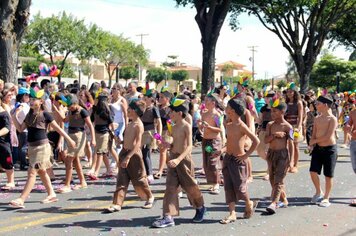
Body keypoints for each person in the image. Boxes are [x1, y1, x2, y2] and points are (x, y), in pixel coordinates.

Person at [9, 87, 76, 208]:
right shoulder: (29, 114)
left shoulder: (45, 114)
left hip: (42, 147)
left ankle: (21, 199)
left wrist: (69, 139)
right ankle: (51, 194)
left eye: (36, 99)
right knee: (42, 171)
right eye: (31, 98)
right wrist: (13, 116)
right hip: (32, 148)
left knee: (32, 173)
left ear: (41, 101)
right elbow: (20, 129)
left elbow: (58, 128)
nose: (32, 101)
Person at [152, 98, 206, 228]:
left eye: (172, 112)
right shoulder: (173, 126)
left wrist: (178, 159)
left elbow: (189, 147)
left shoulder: (186, 126)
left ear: (179, 113)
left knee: (190, 187)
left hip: (184, 160)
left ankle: (200, 207)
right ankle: (168, 216)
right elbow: (172, 144)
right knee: (170, 188)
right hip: (173, 160)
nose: (169, 114)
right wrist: (164, 144)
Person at [104, 99, 154, 213]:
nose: (127, 111)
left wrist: (128, 157)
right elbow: (128, 139)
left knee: (139, 179)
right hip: (124, 152)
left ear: (135, 111)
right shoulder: (130, 123)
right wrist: (119, 141)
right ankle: (117, 203)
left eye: (130, 109)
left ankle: (150, 196)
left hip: (134, 155)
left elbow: (137, 144)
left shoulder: (138, 125)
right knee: (122, 179)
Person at [214, 98, 259, 224]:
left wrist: (246, 155)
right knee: (228, 187)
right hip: (228, 159)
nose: (225, 108)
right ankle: (232, 213)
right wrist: (222, 151)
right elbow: (230, 143)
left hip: (238, 161)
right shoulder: (228, 125)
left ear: (232, 110)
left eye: (227, 106)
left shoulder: (241, 125)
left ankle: (249, 202)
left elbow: (256, 141)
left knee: (240, 188)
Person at [57, 94, 96, 193]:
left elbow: (90, 125)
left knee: (69, 159)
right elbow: (64, 120)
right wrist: (58, 109)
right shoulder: (71, 111)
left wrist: (93, 139)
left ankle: (67, 184)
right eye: (68, 106)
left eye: (71, 106)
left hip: (78, 136)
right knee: (76, 160)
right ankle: (83, 181)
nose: (70, 108)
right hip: (70, 135)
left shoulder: (82, 111)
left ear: (75, 103)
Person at [264, 100, 294, 214]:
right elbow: (265, 140)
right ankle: (283, 199)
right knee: (272, 179)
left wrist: (291, 161)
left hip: (282, 155)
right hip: (271, 154)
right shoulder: (270, 125)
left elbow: (291, 144)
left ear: (282, 112)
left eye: (275, 111)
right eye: (271, 110)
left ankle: (273, 203)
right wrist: (275, 135)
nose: (272, 113)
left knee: (279, 179)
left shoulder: (288, 127)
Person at [309, 95, 338, 207]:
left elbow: (328, 136)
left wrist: (314, 141)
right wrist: (311, 143)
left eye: (318, 104)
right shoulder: (317, 118)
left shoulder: (332, 119)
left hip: (330, 149)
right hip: (318, 148)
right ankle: (318, 192)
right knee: (313, 171)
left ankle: (326, 197)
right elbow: (314, 133)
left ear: (325, 105)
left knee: (328, 175)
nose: (316, 106)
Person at [199, 93, 224, 194]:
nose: (205, 103)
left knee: (213, 162)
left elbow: (219, 129)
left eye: (207, 101)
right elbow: (202, 127)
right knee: (207, 163)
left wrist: (208, 127)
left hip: (214, 141)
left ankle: (216, 184)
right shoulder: (204, 114)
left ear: (213, 103)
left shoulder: (217, 115)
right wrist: (200, 125)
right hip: (206, 141)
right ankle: (211, 183)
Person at [89, 92, 115, 180]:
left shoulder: (106, 110)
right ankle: (109, 170)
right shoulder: (95, 109)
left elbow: (111, 123)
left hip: (104, 133)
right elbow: (91, 120)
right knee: (102, 153)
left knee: (100, 152)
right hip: (97, 132)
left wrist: (114, 134)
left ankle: (96, 172)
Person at [141, 88, 162, 183]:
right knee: (144, 153)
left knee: (146, 153)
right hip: (141, 131)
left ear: (152, 99)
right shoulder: (143, 107)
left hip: (149, 132)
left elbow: (159, 123)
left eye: (148, 97)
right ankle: (145, 172)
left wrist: (159, 137)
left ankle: (149, 174)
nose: (145, 98)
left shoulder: (154, 108)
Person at [154, 87, 173, 179]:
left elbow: (171, 122)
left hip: (167, 132)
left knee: (163, 150)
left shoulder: (170, 109)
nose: (159, 99)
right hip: (158, 131)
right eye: (159, 97)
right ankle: (172, 167)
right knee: (164, 152)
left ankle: (160, 171)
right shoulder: (157, 108)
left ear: (167, 99)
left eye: (162, 97)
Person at [285, 83, 303, 173]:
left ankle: (295, 165)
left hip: (295, 126)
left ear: (295, 92)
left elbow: (300, 116)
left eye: (291, 91)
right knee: (288, 145)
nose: (289, 93)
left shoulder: (299, 103)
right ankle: (289, 164)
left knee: (295, 145)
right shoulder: (286, 102)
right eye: (288, 91)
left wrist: (299, 126)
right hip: (287, 125)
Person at [256, 91, 274, 181]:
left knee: (268, 151)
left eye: (269, 97)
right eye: (266, 97)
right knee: (259, 150)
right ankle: (271, 163)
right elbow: (260, 120)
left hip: (272, 132)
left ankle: (269, 171)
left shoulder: (275, 108)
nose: (266, 99)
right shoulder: (263, 108)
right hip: (263, 131)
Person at [0, 93, 15, 190]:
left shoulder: (4, 113)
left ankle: (11, 181)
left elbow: (7, 128)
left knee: (7, 160)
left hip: (3, 142)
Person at [345, 107, 356, 206]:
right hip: (354, 141)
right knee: (355, 168)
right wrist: (348, 126)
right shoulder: (353, 112)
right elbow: (349, 123)